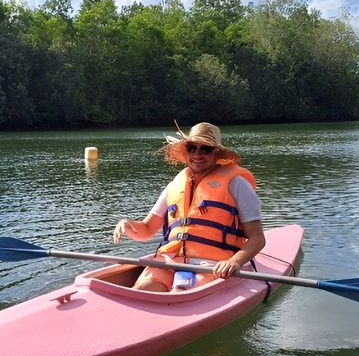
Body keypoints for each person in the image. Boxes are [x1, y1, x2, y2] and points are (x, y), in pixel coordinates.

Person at [113, 122, 265, 292]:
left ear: (216, 152)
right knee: (143, 289)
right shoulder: (175, 185)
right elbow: (147, 230)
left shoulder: (237, 184)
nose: (197, 155)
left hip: (211, 264)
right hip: (170, 260)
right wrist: (128, 224)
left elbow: (257, 239)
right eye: (192, 148)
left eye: (205, 149)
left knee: (179, 293)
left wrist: (233, 262)